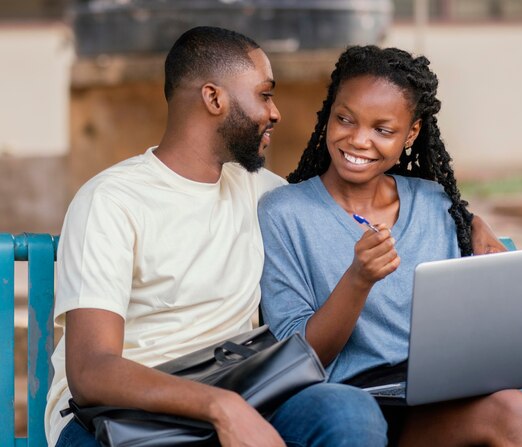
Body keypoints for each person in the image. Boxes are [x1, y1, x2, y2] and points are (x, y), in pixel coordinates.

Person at [44, 27, 390, 447]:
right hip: (114, 416)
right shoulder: (112, 200)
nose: (276, 112)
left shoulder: (264, 192)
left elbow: (358, 195)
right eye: (264, 94)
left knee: (347, 414)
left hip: (239, 390)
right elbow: (91, 371)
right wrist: (220, 407)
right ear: (213, 99)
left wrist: (467, 221)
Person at [258, 45, 522, 446]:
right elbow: (298, 357)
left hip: (429, 408)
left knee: (515, 410)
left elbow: (465, 329)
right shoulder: (284, 213)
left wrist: (475, 229)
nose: (358, 140)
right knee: (353, 418)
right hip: (343, 405)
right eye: (345, 119)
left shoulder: (434, 204)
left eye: (382, 130)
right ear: (328, 114)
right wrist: (358, 279)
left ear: (411, 133)